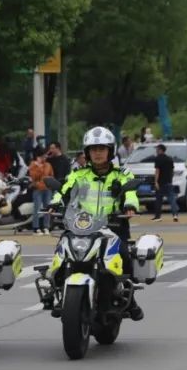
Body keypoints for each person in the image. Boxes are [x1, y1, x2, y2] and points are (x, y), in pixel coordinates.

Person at [51, 126, 143, 321]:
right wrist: (54, 203)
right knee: (61, 253)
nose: (98, 153)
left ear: (110, 151)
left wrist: (130, 206)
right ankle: (59, 293)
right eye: (93, 149)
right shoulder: (78, 174)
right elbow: (64, 190)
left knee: (124, 256)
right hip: (80, 226)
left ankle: (129, 296)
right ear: (87, 152)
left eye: (102, 149)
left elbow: (131, 193)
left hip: (113, 226)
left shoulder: (121, 174)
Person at [29, 147, 55, 235]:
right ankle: (36, 227)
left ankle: (46, 226)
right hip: (38, 188)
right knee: (37, 208)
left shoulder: (48, 165)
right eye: (43, 156)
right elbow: (34, 176)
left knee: (47, 208)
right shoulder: (33, 164)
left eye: (45, 156)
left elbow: (51, 175)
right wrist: (39, 167)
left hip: (47, 189)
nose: (45, 157)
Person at [152, 144, 179, 222]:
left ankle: (158, 216)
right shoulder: (169, 159)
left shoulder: (158, 159)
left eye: (157, 149)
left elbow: (157, 171)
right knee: (172, 199)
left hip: (160, 182)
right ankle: (175, 214)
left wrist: (156, 182)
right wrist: (170, 179)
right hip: (169, 182)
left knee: (158, 200)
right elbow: (172, 171)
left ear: (160, 150)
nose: (156, 151)